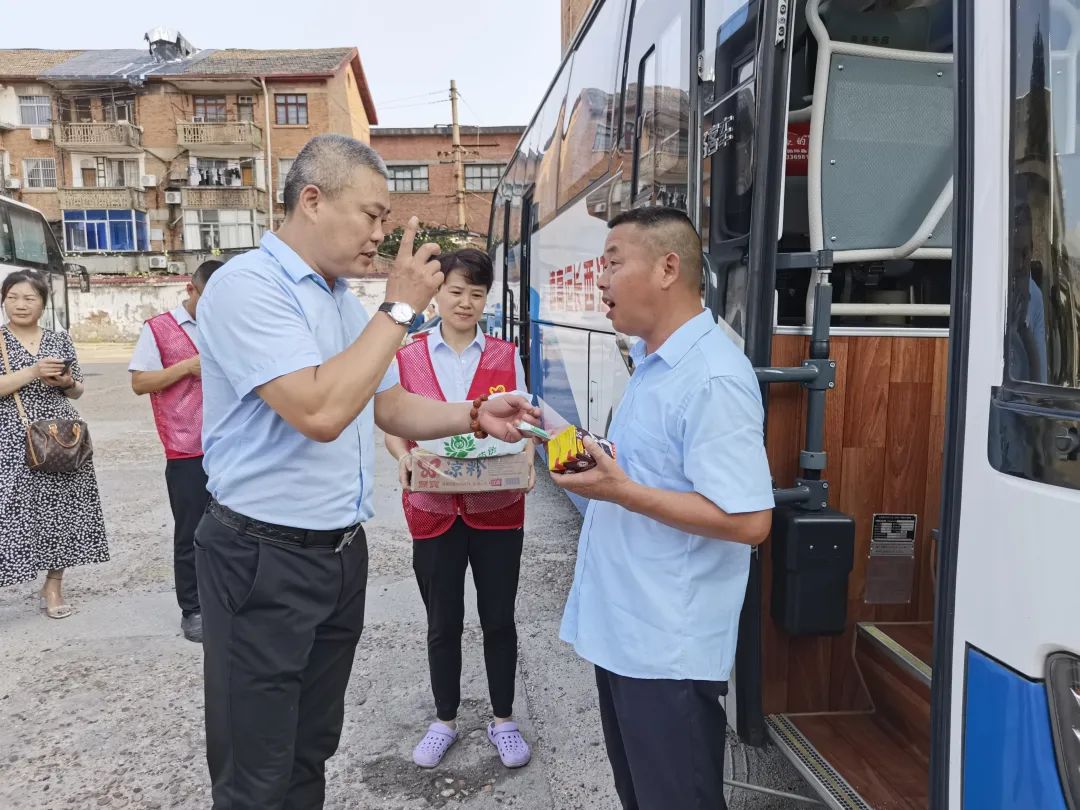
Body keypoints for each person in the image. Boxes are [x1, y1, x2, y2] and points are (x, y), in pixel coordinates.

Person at [194, 134, 538, 810]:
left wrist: (474, 414)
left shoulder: (341, 302)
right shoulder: (248, 287)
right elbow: (320, 410)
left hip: (337, 553)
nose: (380, 235)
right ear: (313, 200)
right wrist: (401, 308)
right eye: (372, 215)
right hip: (261, 556)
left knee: (310, 747)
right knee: (256, 769)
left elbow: (389, 404)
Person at [552, 207, 774, 810]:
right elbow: (649, 469)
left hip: (666, 651)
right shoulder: (656, 363)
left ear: (668, 268)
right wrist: (554, 432)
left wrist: (622, 492)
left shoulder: (712, 377)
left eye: (613, 262)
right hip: (628, 635)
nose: (599, 279)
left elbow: (749, 521)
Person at [385, 248, 534, 770]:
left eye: (476, 293)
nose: (466, 302)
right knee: (442, 621)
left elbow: (524, 420)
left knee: (499, 619)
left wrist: (529, 460)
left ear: (486, 299)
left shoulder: (504, 354)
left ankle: (503, 720)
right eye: (456, 291)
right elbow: (394, 426)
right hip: (432, 509)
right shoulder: (408, 355)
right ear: (437, 293)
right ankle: (444, 720)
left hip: (497, 506)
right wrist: (403, 457)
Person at [0, 270, 109, 617]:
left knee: (61, 510)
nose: (20, 304)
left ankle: (53, 585)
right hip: (11, 437)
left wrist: (65, 382)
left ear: (43, 304)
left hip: (60, 435)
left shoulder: (59, 340)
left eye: (29, 298)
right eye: (12, 297)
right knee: (10, 511)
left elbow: (77, 390)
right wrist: (33, 372)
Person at [128, 259, 223, 642]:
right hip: (187, 449)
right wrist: (185, 368)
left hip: (233, 444)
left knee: (240, 529)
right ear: (190, 289)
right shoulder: (158, 328)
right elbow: (140, 382)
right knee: (192, 532)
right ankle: (193, 608)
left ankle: (229, 601)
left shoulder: (232, 323)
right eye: (209, 299)